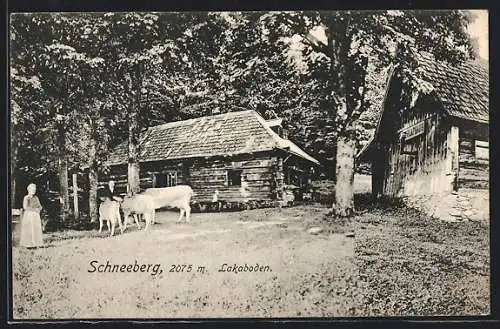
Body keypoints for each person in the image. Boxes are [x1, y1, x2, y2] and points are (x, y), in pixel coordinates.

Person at [19, 183, 44, 248]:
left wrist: (39, 209)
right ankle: (29, 244)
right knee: (30, 229)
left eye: (34, 189)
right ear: (29, 190)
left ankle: (37, 243)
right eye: (32, 189)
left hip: (36, 216)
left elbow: (40, 206)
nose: (34, 191)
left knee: (36, 229)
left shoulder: (36, 198)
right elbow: (25, 207)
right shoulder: (26, 198)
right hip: (29, 215)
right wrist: (35, 210)